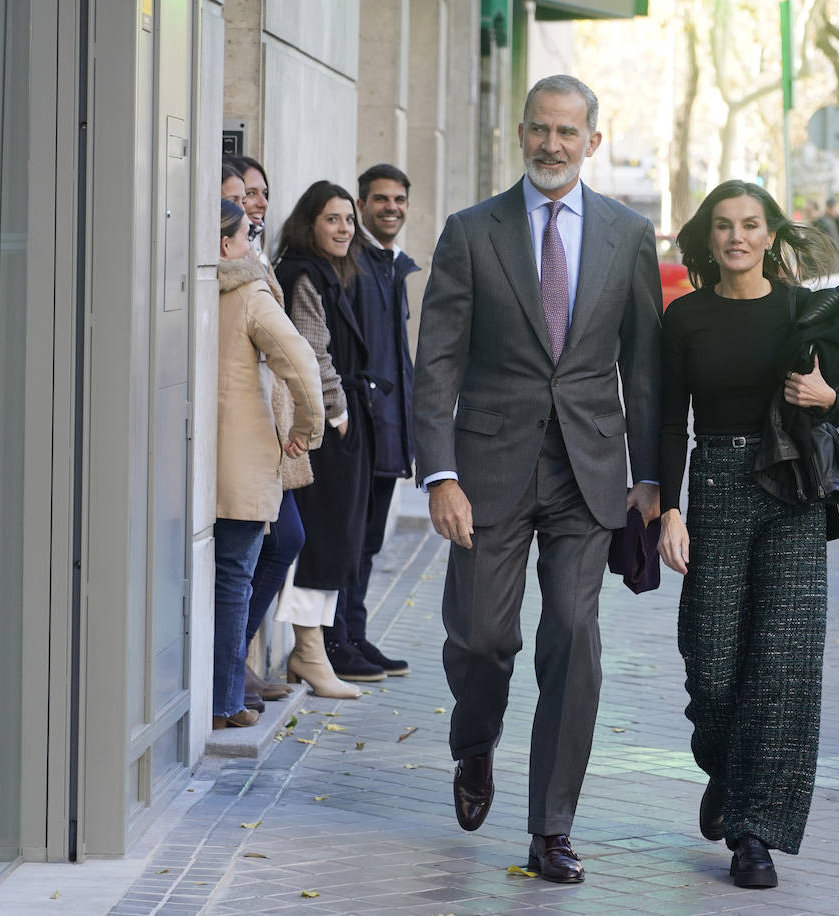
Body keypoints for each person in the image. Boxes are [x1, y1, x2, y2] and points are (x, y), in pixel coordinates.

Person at [412, 74, 662, 883]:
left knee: (574, 634)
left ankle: (550, 826)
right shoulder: (471, 232)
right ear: (521, 134)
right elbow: (438, 361)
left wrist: (653, 479)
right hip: (486, 468)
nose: (552, 145)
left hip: (589, 472)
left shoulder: (629, 234)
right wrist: (440, 474)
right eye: (539, 130)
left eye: (568, 131)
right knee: (483, 635)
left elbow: (647, 370)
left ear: (593, 138)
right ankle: (475, 742)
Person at [657, 179, 839, 889]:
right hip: (713, 485)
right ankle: (727, 767)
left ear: (771, 234)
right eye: (724, 226)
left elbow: (838, 395)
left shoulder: (805, 311)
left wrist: (830, 398)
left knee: (783, 664)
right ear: (709, 238)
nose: (737, 237)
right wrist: (669, 509)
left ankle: (754, 832)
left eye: (750, 224)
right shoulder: (685, 319)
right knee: (711, 662)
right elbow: (665, 418)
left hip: (791, 491)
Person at [215, 198, 324, 728]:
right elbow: (302, 365)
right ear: (224, 245)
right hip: (239, 462)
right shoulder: (251, 292)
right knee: (234, 578)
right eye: (246, 236)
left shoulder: (177, 285)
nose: (253, 245)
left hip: (180, 461)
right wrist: (307, 430)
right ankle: (224, 701)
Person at [273, 180, 379, 693]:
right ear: (309, 223)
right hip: (322, 428)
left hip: (340, 422)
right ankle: (309, 651)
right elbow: (309, 352)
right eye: (331, 219)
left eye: (346, 220)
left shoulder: (329, 272)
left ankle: (312, 651)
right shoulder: (302, 273)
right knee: (319, 542)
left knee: (336, 541)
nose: (343, 228)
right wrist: (336, 413)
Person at [317, 163, 422, 681]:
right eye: (381, 199)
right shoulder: (352, 265)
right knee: (348, 541)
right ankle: (335, 642)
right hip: (358, 430)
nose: (391, 208)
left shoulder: (391, 266)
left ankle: (354, 634)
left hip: (389, 432)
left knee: (369, 543)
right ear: (362, 207)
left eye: (399, 200)